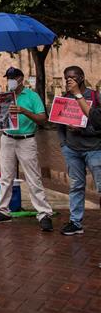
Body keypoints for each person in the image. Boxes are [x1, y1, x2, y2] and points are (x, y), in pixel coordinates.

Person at [0, 67, 54, 231]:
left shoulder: (32, 96)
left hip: (26, 140)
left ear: (20, 79)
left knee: (33, 177)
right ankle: (3, 210)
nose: (10, 80)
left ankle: (44, 213)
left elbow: (43, 119)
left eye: (13, 77)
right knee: (6, 176)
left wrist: (24, 111)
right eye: (8, 77)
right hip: (7, 138)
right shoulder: (5, 97)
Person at [56, 65, 100, 236]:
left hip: (94, 149)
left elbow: (99, 124)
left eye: (72, 77)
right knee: (76, 186)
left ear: (81, 78)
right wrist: (63, 144)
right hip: (72, 149)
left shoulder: (95, 97)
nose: (68, 80)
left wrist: (83, 131)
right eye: (66, 77)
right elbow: (58, 123)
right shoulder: (64, 98)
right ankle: (75, 222)